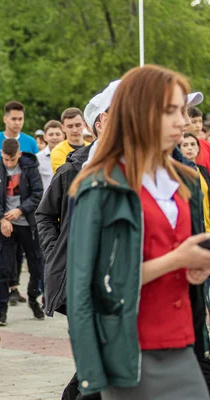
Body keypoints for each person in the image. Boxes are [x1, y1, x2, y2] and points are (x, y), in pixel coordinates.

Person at [67, 65, 210, 399]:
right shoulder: (99, 186)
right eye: (170, 111)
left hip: (184, 342)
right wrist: (177, 259)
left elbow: (187, 253)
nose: (183, 121)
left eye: (183, 111)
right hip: (129, 351)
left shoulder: (187, 180)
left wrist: (197, 266)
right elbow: (90, 286)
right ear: (139, 113)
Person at [36, 79, 119, 400]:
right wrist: (58, 254)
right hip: (78, 282)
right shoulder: (72, 169)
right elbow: (44, 215)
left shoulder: (133, 164)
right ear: (101, 122)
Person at [0, 138, 45, 324]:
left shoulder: (30, 168)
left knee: (37, 266)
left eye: (12, 159)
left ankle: (32, 299)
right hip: (6, 226)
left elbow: (38, 194)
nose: (8, 163)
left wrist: (20, 209)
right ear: (1, 154)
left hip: (28, 224)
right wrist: (2, 218)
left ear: (19, 155)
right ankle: (2, 311)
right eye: (5, 159)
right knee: (4, 268)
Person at [180, 132, 210, 233]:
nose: (189, 148)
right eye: (185, 145)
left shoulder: (203, 170)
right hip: (194, 230)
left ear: (198, 148)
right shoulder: (179, 173)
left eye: (193, 144)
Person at [50, 108, 90, 173]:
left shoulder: (92, 147)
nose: (75, 130)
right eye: (70, 126)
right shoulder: (58, 151)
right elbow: (65, 175)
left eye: (78, 125)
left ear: (84, 125)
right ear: (63, 128)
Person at [37, 120, 65, 192]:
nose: (54, 137)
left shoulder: (71, 155)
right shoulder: (37, 158)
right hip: (45, 200)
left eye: (58, 134)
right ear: (45, 137)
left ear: (63, 136)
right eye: (51, 134)